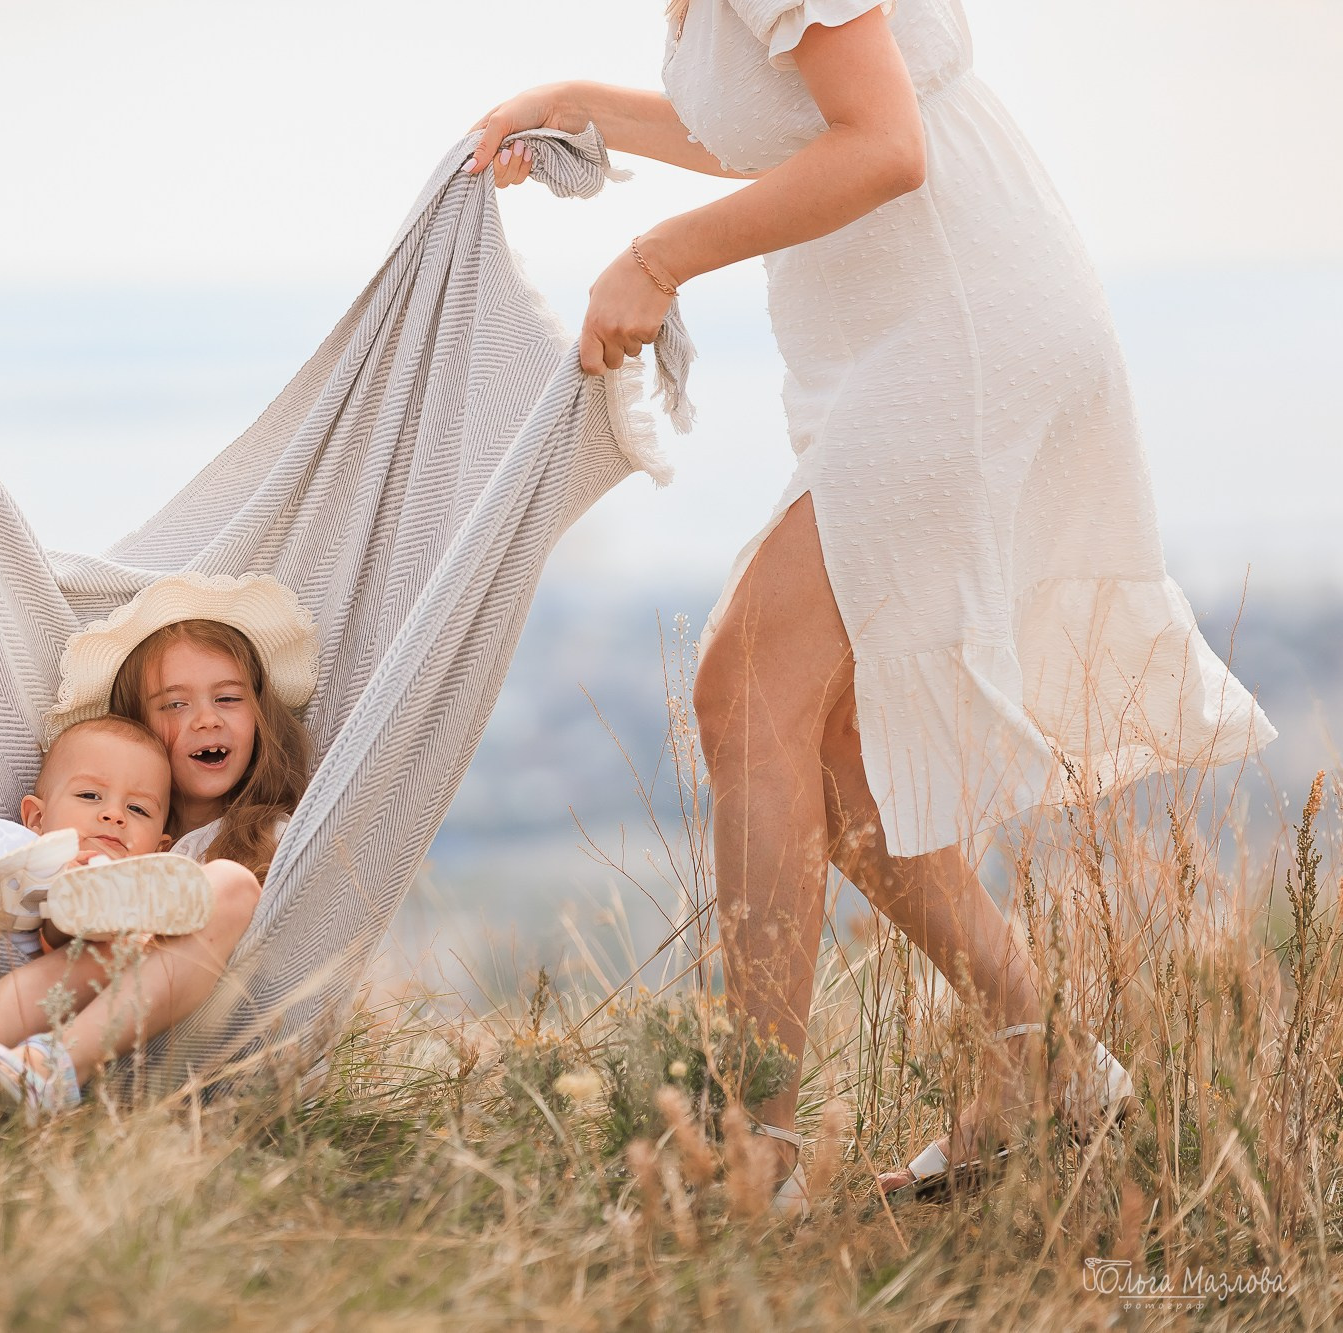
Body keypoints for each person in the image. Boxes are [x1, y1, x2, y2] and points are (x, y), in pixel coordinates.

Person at [469, 0, 1271, 1210]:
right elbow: (774, 129)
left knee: (745, 691)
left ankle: (757, 1154)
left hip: (956, 324)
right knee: (832, 745)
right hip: (893, 338)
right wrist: (571, 107)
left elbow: (884, 145)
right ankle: (1046, 1061)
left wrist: (657, 258)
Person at [0, 573, 316, 1117]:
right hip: (84, 1001)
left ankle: (49, 1067)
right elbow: (35, 921)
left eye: (227, 698)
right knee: (109, 931)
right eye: (174, 705)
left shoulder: (274, 836)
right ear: (140, 727)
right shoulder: (96, 836)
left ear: (259, 715)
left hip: (191, 1037)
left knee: (227, 883)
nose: (206, 719)